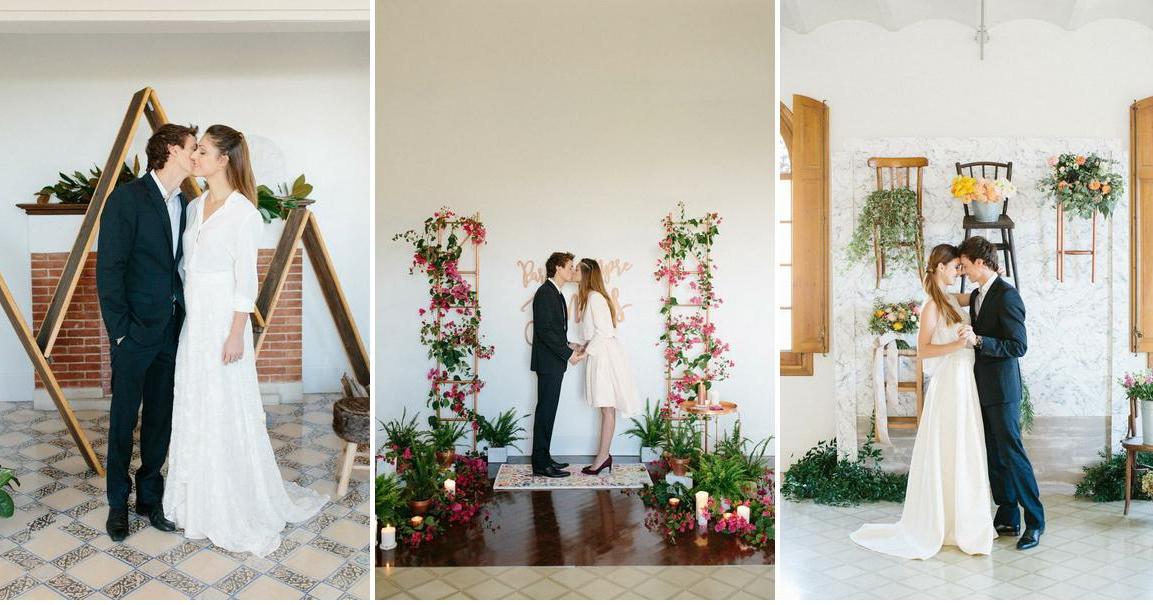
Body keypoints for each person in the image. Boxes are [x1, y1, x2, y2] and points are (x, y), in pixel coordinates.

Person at [162, 124, 326, 557]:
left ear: (224, 161)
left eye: (202, 151)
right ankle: (193, 500)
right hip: (195, 325)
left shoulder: (243, 213)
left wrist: (237, 333)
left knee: (224, 405)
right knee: (195, 403)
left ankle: (231, 499)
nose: (194, 156)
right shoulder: (194, 206)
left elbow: (244, 280)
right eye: (194, 150)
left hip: (223, 325)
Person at [850, 244, 997, 559]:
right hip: (950, 384)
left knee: (963, 449)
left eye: (962, 266)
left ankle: (962, 521)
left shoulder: (947, 300)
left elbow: (977, 299)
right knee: (949, 448)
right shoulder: (932, 305)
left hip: (963, 382)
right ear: (941, 268)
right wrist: (958, 344)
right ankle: (942, 523)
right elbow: (923, 351)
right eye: (956, 267)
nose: (960, 272)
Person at [96, 123, 198, 541]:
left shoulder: (189, 203)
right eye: (192, 148)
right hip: (134, 335)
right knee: (124, 420)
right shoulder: (127, 199)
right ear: (172, 150)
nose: (196, 156)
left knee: (160, 419)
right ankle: (117, 504)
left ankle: (150, 499)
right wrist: (120, 332)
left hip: (171, 331)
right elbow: (110, 269)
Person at [959, 235, 1044, 550]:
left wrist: (980, 342)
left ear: (981, 263)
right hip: (982, 388)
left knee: (1013, 455)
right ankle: (1008, 514)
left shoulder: (1007, 296)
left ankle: (1035, 522)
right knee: (995, 456)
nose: (964, 272)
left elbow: (1018, 346)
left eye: (966, 266)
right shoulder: (979, 294)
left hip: (1004, 391)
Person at [573, 258, 641, 475]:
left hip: (604, 359)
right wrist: (582, 346)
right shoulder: (592, 298)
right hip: (600, 355)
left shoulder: (594, 298)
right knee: (606, 408)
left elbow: (605, 332)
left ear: (585, 274)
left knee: (607, 408)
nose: (573, 272)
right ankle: (603, 456)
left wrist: (584, 355)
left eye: (576, 270)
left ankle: (603, 457)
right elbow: (597, 333)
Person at [530, 252, 585, 478]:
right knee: (545, 411)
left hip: (553, 361)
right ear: (558, 268)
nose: (573, 271)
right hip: (549, 363)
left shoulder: (556, 293)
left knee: (548, 411)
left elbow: (554, 330)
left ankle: (544, 457)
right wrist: (567, 354)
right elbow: (544, 331)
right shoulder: (545, 293)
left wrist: (569, 344)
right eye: (570, 267)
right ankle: (541, 465)